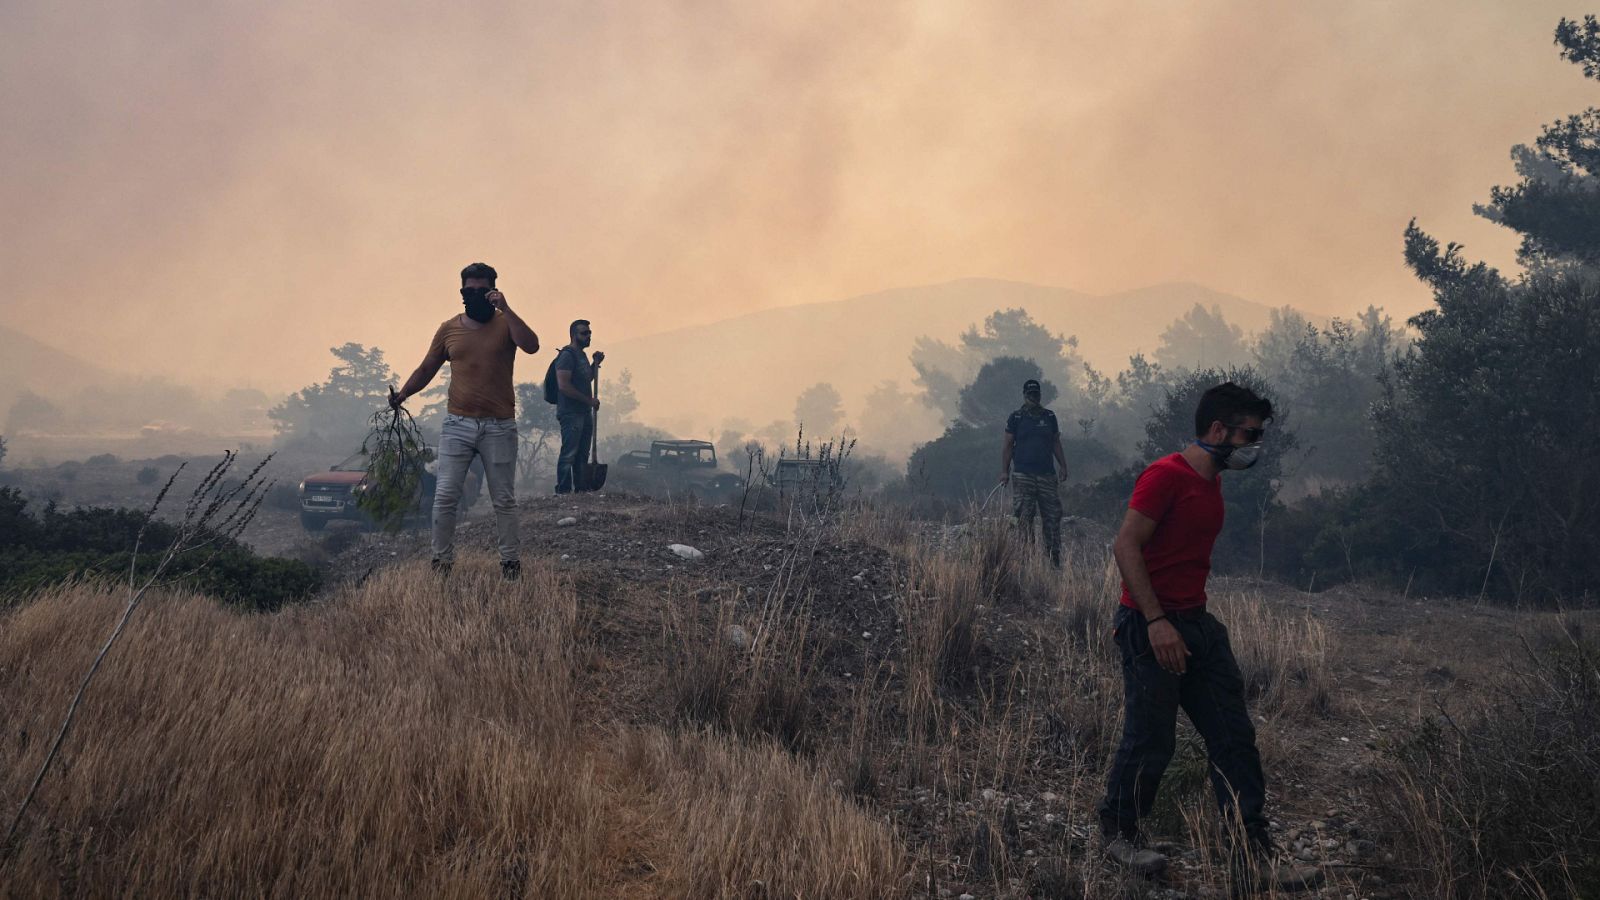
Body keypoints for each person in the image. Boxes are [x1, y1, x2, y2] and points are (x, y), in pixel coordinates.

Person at [1096, 382, 1320, 892]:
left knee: (1233, 737)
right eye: (1248, 434)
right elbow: (1126, 545)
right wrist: (1156, 622)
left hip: (1199, 625)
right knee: (1151, 738)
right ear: (1218, 429)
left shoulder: (1211, 481)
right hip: (1150, 625)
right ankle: (1119, 834)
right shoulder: (1165, 475)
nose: (1253, 445)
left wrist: (1186, 621)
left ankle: (1252, 857)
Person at [389, 262, 539, 581]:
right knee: (445, 496)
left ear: (493, 290)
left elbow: (532, 345)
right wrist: (403, 394)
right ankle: (441, 562)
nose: (474, 295)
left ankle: (510, 564)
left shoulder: (506, 323)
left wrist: (507, 308)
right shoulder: (449, 329)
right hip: (458, 424)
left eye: (481, 290)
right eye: (468, 290)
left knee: (503, 499)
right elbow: (426, 368)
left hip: (499, 425)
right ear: (461, 291)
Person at [1000, 378, 1068, 566]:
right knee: (1024, 518)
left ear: (1040, 395)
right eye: (1030, 394)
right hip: (1023, 475)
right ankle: (1027, 559)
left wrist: (1063, 465)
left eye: (1036, 394)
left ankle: (1053, 558)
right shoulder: (1016, 418)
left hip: (1047, 475)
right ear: (1024, 395)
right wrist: (1004, 471)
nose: (1033, 397)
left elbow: (1055, 442)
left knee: (1052, 517)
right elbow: (1007, 445)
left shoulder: (1049, 416)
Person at [552, 319, 603, 494]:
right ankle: (563, 490)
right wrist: (589, 401)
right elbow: (564, 386)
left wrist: (595, 363)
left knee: (582, 453)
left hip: (584, 411)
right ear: (574, 335)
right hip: (571, 412)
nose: (588, 336)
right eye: (584, 333)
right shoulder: (567, 356)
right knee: (569, 453)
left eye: (589, 333)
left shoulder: (581, 355)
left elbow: (586, 379)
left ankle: (581, 489)